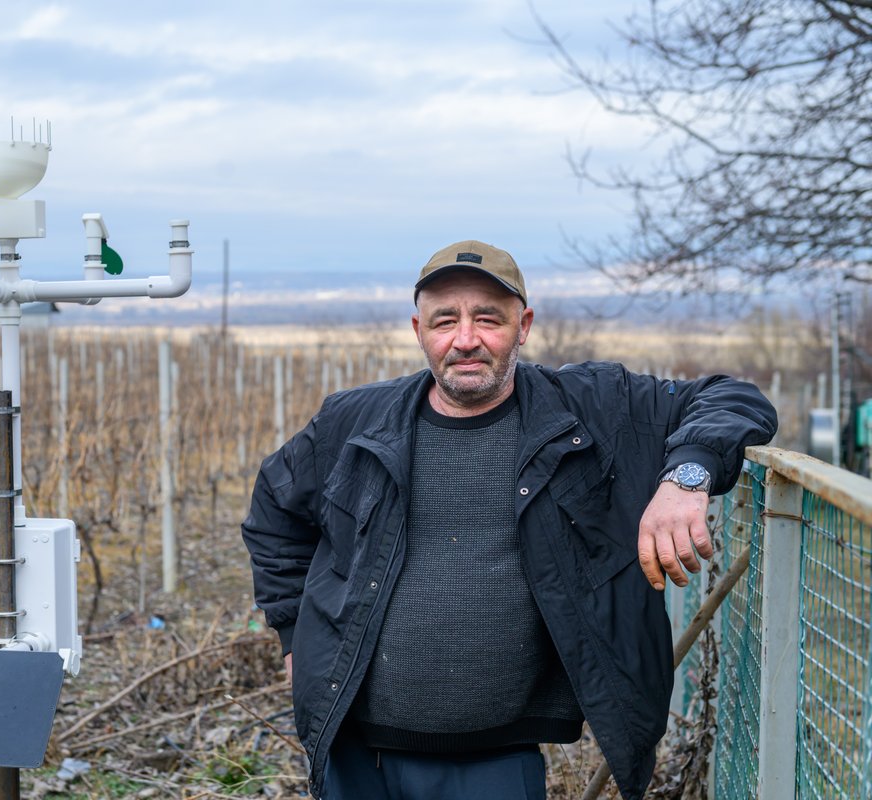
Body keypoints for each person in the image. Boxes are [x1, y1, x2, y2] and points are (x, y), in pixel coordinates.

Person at [240, 240, 778, 800]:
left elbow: (734, 397)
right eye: (445, 320)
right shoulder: (354, 421)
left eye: (487, 319)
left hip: (497, 760)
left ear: (523, 326)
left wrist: (684, 478)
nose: (465, 339)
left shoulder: (590, 409)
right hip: (354, 751)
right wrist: (291, 636)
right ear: (418, 328)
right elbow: (274, 510)